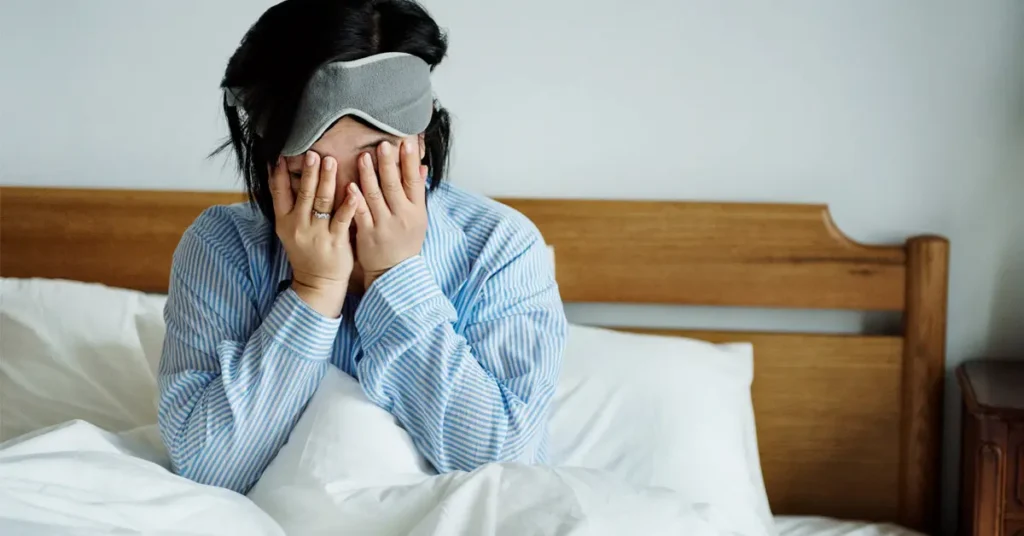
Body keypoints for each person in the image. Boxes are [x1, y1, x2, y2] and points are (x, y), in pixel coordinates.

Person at [157, 0, 567, 494]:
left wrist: (396, 275)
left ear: (420, 141)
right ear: (270, 162)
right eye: (308, 173)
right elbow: (207, 469)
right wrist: (314, 290)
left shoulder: (498, 247)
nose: (348, 201)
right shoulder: (222, 248)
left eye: (377, 167)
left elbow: (508, 474)